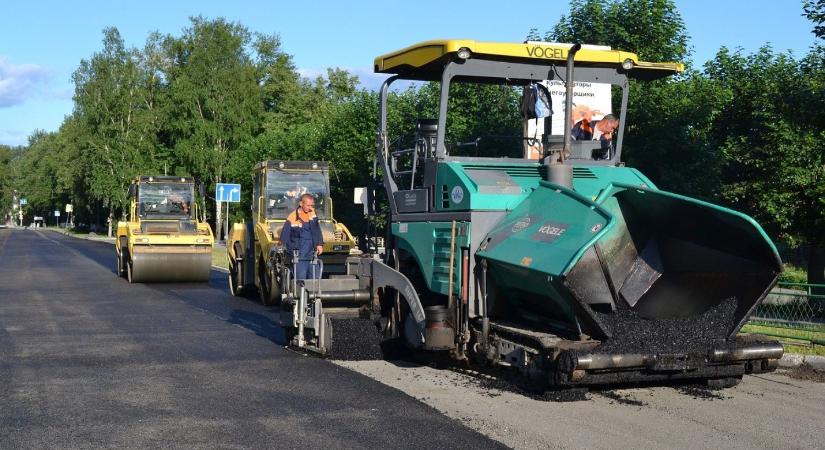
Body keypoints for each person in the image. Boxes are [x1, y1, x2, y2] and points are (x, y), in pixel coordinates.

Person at [279, 193, 324, 280]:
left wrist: (319, 244)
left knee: (315, 280)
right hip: (299, 257)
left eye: (312, 205)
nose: (310, 208)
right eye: (308, 205)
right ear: (301, 204)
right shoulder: (292, 217)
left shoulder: (313, 213)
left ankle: (314, 294)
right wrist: (285, 250)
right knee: (300, 281)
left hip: (312, 255)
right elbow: (284, 237)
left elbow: (316, 230)